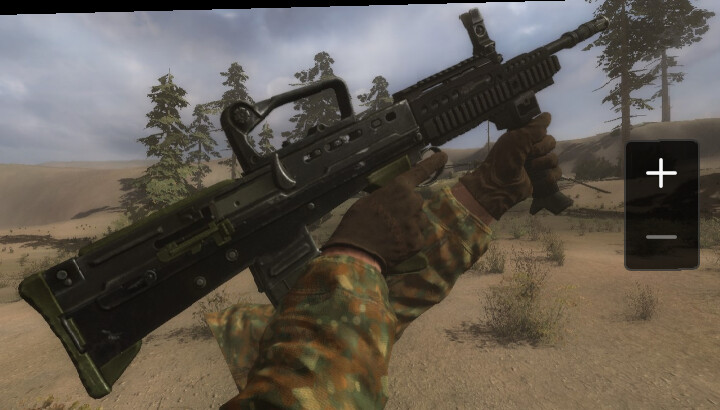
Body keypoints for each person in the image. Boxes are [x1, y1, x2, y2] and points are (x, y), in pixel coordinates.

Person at [208, 113, 561, 409]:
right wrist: (354, 256)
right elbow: (316, 381)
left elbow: (350, 331)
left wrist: (481, 198)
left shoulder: (286, 339)